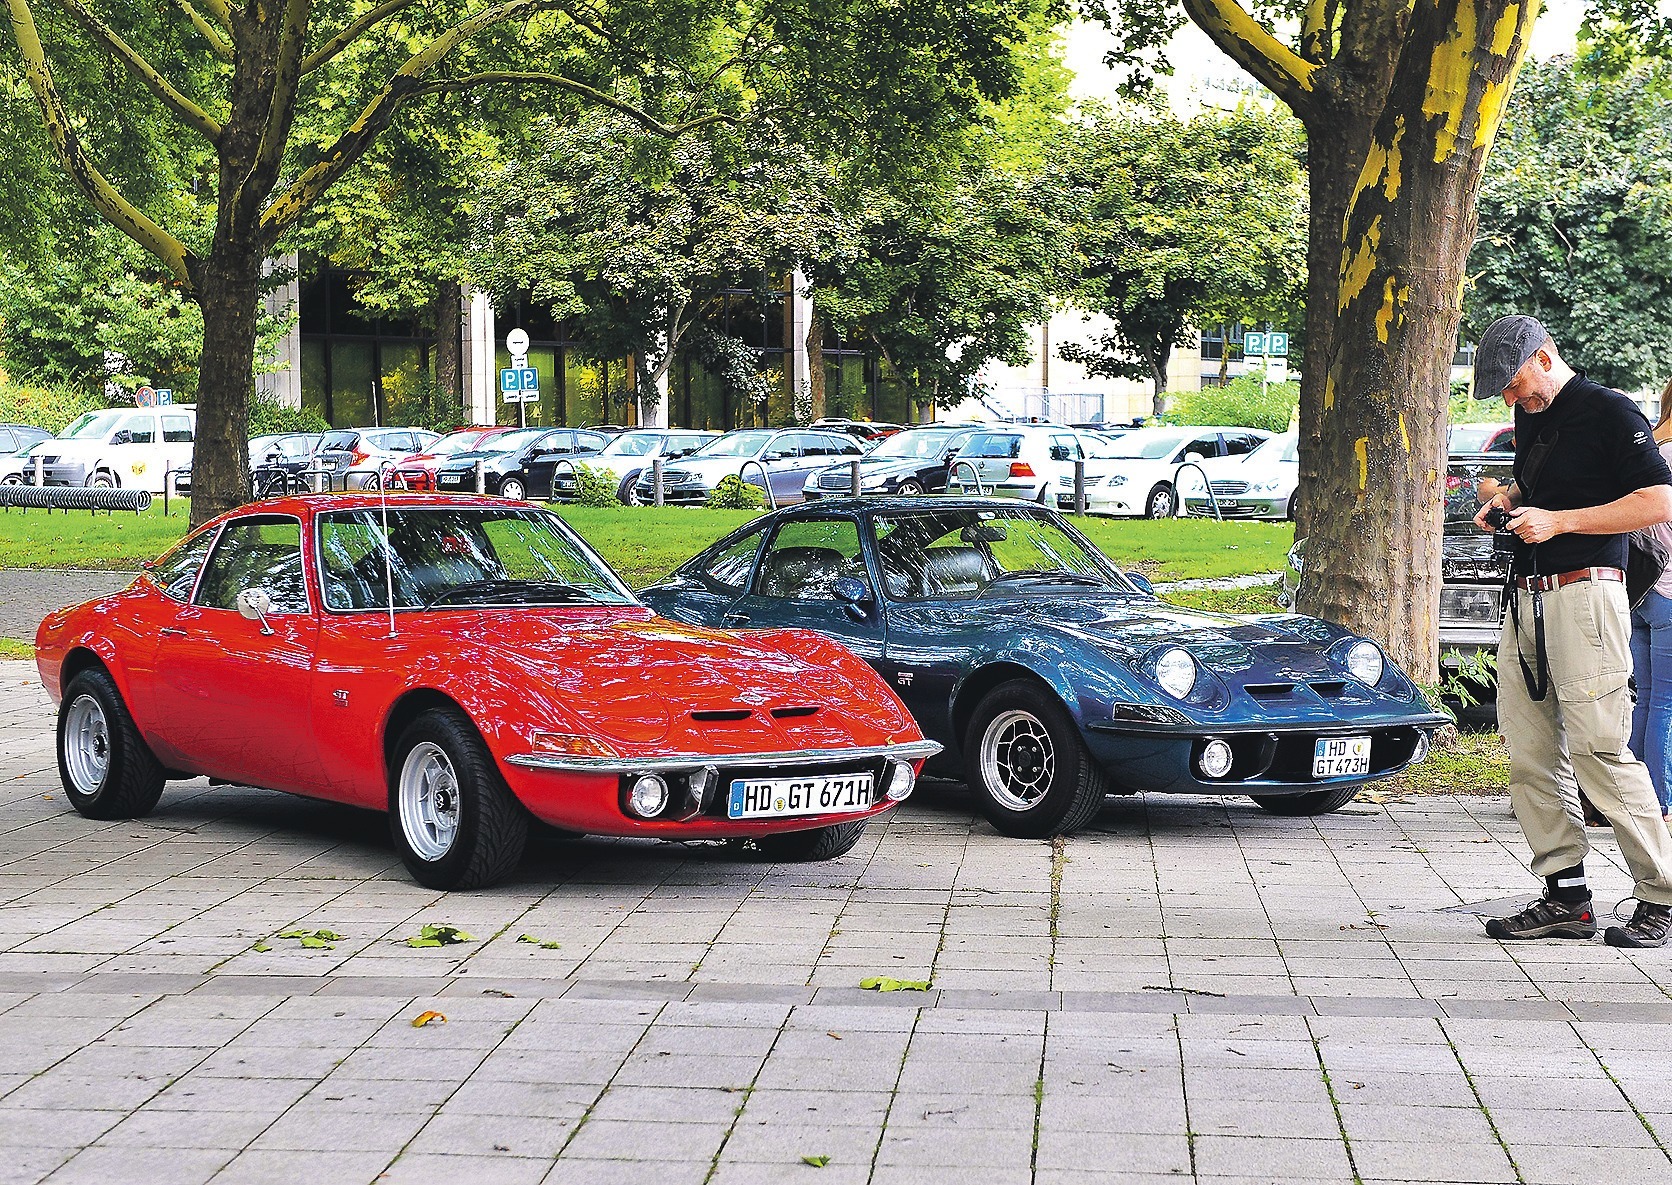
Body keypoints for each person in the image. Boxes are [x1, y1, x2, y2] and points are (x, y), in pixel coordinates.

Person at [1471, 314, 1672, 947]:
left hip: (1588, 594)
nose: (1511, 398)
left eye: (1514, 382)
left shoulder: (1611, 411)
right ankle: (1566, 895)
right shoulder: (1534, 418)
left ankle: (1661, 895)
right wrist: (1504, 498)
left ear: (1545, 355)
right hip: (1527, 598)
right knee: (1530, 750)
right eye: (1503, 391)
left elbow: (1659, 501)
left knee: (1599, 747)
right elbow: (1543, 490)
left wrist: (1559, 523)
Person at [1628, 378, 1672, 829]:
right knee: (1667, 704)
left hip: (1641, 593)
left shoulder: (1648, 454)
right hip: (1671, 596)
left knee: (1646, 700)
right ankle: (1659, 802)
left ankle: (1633, 800)